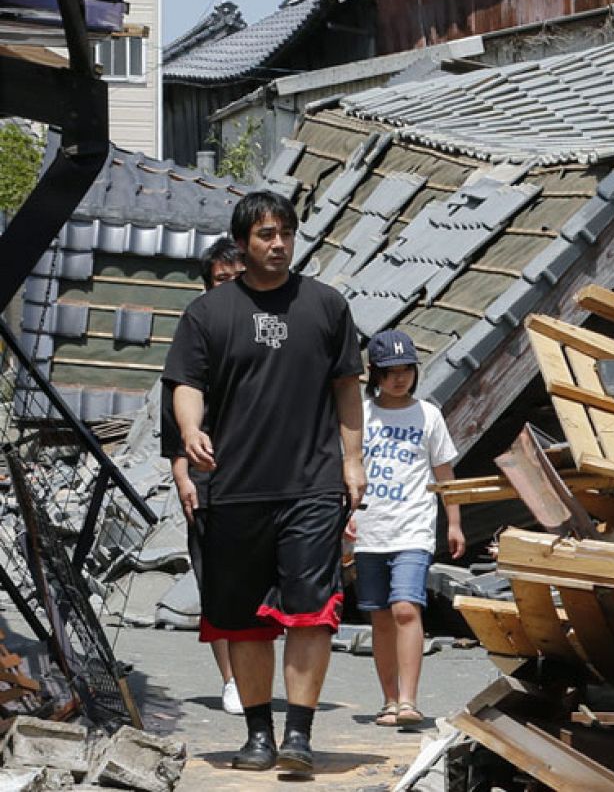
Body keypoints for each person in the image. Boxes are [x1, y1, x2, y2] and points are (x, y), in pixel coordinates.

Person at [163, 192, 365, 773]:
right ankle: (258, 735)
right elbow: (186, 382)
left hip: (312, 484)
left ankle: (298, 735)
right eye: (265, 235)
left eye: (286, 234)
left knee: (310, 611)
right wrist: (190, 429)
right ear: (243, 242)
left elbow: (347, 386)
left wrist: (353, 462)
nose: (278, 244)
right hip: (234, 487)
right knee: (243, 619)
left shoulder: (327, 306)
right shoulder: (208, 313)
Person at [351, 329, 464, 728]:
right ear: (374, 373)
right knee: (380, 616)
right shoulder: (359, 416)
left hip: (413, 528)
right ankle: (388, 699)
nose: (399, 378)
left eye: (406, 370)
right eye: (390, 371)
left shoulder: (428, 415)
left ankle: (409, 700)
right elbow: (340, 469)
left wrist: (454, 522)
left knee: (405, 608)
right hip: (368, 530)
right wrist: (340, 515)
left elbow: (444, 474)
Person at [161, 238, 245, 714]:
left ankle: (254, 671)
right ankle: (231, 679)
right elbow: (172, 419)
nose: (229, 288)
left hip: (257, 474)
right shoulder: (194, 331)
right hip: (207, 476)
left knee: (256, 580)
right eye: (221, 280)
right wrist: (182, 476)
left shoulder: (262, 329)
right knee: (216, 579)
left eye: (237, 278)